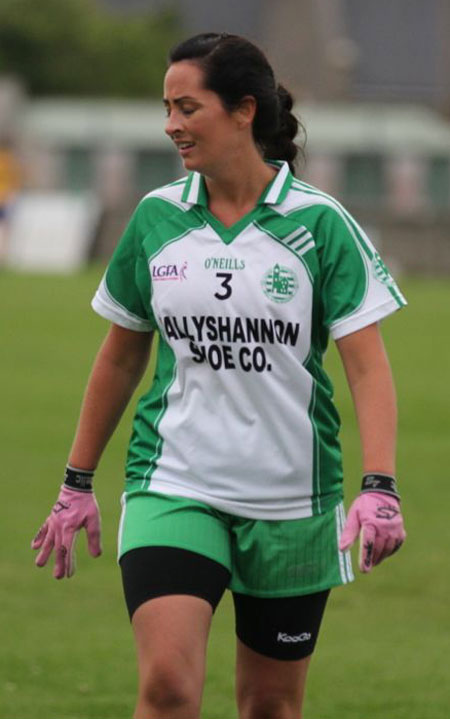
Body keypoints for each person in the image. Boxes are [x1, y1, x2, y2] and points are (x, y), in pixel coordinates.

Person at [32, 33, 407, 719]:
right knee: (169, 688)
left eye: (187, 107)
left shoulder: (320, 224)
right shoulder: (157, 218)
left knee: (270, 705)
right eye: (166, 107)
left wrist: (378, 486)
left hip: (292, 499)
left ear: (242, 110)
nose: (171, 124)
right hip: (173, 483)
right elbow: (120, 355)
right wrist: (75, 481)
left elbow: (368, 365)